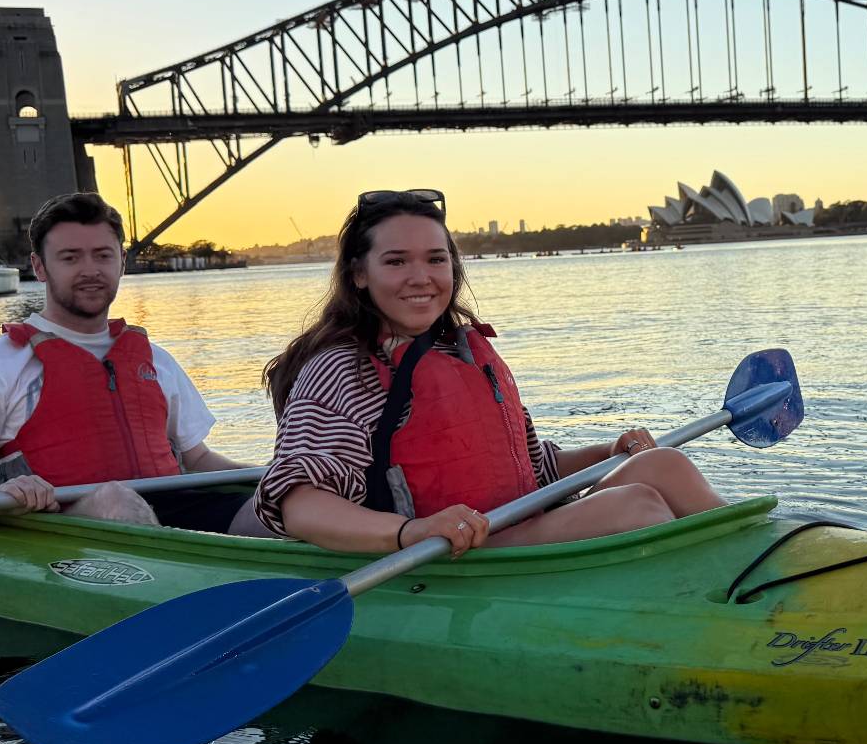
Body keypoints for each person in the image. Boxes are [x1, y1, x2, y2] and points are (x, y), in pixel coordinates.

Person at [254, 189, 726, 555]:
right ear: (359, 274)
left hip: (514, 527)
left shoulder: (462, 349)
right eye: (396, 261)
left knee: (663, 464)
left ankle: (769, 564)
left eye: (436, 259)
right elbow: (297, 504)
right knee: (634, 506)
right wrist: (411, 532)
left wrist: (607, 451)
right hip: (452, 554)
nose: (421, 277)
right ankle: (723, 603)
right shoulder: (342, 367)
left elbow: (534, 469)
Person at [0, 192, 252, 531]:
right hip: (64, 528)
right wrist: (1, 496)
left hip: (178, 512)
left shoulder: (155, 361)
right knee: (116, 502)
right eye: (70, 258)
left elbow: (200, 461)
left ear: (121, 261)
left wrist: (277, 476)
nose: (90, 270)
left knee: (293, 505)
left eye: (102, 256)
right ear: (40, 267)